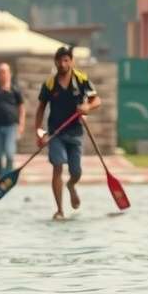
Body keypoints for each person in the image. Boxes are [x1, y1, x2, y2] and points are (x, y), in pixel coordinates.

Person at [35, 46, 101, 221]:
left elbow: (96, 100)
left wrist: (87, 106)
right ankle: (59, 210)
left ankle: (71, 185)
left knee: (76, 171)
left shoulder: (81, 79)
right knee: (57, 166)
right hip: (55, 133)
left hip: (76, 133)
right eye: (60, 60)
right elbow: (40, 109)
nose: (63, 64)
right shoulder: (49, 84)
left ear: (71, 61)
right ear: (55, 62)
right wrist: (40, 133)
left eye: (66, 60)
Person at [0, 62, 25, 178]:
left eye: (4, 72)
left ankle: (7, 176)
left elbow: (22, 108)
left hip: (11, 126)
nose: (2, 74)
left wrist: (21, 125)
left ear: (9, 74)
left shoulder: (15, 91)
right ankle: (0, 177)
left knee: (9, 153)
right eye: (0, 72)